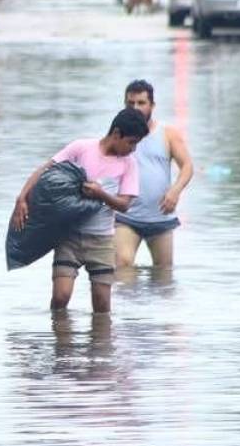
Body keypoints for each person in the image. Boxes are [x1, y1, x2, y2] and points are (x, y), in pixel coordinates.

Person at [11, 109, 148, 313]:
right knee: (60, 298)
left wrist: (101, 194)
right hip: (69, 236)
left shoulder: (129, 164)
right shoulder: (82, 148)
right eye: (131, 142)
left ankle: (99, 345)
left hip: (101, 240)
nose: (133, 148)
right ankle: (61, 342)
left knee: (102, 306)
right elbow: (46, 170)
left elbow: (124, 205)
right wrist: (22, 198)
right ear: (116, 134)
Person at [115, 80, 194, 269]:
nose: (135, 108)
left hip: (161, 217)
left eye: (141, 103)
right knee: (122, 266)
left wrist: (175, 191)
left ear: (152, 105)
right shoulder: (117, 133)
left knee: (163, 276)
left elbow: (187, 166)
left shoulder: (167, 133)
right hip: (126, 217)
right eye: (130, 103)